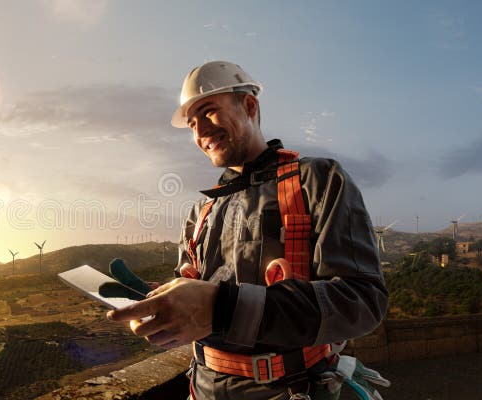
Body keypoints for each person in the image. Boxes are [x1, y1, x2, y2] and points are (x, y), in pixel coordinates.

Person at [107, 60, 389, 399]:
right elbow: (197, 299)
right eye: (192, 124)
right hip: (203, 387)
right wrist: (163, 301)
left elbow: (361, 301)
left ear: (249, 106)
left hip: (290, 389)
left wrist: (224, 308)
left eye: (209, 112)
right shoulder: (201, 212)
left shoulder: (317, 181)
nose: (199, 132)